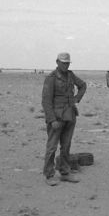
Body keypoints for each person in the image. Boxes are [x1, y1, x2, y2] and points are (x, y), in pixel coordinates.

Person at [41, 52, 87, 186]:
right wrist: (52, 119)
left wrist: (76, 99)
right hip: (56, 118)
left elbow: (83, 85)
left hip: (70, 116)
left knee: (66, 146)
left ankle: (65, 172)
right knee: (52, 147)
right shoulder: (51, 78)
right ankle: (49, 174)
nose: (65, 65)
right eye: (63, 63)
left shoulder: (71, 75)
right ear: (57, 62)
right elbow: (46, 101)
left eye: (67, 63)